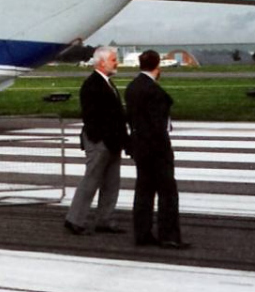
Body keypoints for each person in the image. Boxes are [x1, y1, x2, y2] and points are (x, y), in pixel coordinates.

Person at [124, 49, 189, 249]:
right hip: (157, 149)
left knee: (143, 191)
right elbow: (157, 125)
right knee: (167, 193)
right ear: (157, 65)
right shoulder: (153, 91)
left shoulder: (132, 87)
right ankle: (168, 235)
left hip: (140, 147)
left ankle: (142, 233)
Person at [63, 47, 127, 235]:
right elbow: (91, 117)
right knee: (91, 181)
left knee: (111, 182)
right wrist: (102, 139)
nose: (117, 63)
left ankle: (104, 219)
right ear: (102, 62)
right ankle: (74, 219)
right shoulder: (92, 84)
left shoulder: (107, 83)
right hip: (101, 142)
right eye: (114, 60)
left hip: (112, 141)